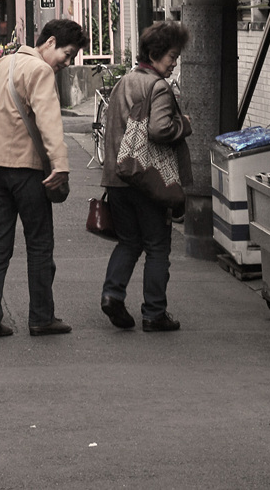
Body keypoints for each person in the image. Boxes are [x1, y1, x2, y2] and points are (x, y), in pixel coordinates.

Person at [0, 18, 88, 339]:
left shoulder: (0, 65)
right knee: (39, 242)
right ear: (49, 42)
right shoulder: (40, 72)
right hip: (25, 169)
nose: (67, 62)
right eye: (66, 54)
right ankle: (41, 317)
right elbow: (50, 122)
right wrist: (60, 166)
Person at [100, 21, 192, 333]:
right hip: (147, 179)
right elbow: (159, 129)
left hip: (117, 176)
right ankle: (154, 313)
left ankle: (112, 293)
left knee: (128, 240)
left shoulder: (124, 81)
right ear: (154, 55)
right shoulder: (159, 87)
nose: (174, 62)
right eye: (171, 57)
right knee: (157, 246)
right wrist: (185, 124)